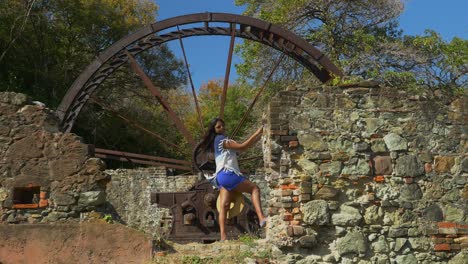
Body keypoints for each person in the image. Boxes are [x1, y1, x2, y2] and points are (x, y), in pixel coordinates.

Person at [193, 118, 267, 241]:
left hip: (220, 178)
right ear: (214, 130)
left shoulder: (216, 142)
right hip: (228, 174)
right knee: (255, 189)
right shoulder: (222, 140)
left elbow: (245, 147)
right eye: (218, 127)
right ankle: (261, 218)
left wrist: (260, 137)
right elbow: (242, 147)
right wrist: (257, 132)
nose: (221, 128)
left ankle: (223, 237)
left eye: (222, 126)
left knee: (224, 206)